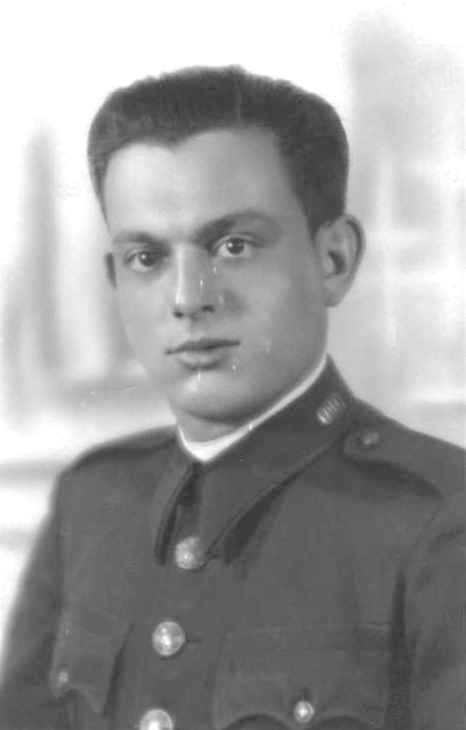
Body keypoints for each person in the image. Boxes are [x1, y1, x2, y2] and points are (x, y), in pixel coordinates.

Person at [0, 66, 465, 730]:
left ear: (333, 259)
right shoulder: (93, 502)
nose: (188, 298)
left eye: (233, 245)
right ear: (114, 280)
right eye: (146, 258)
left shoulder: (440, 520)